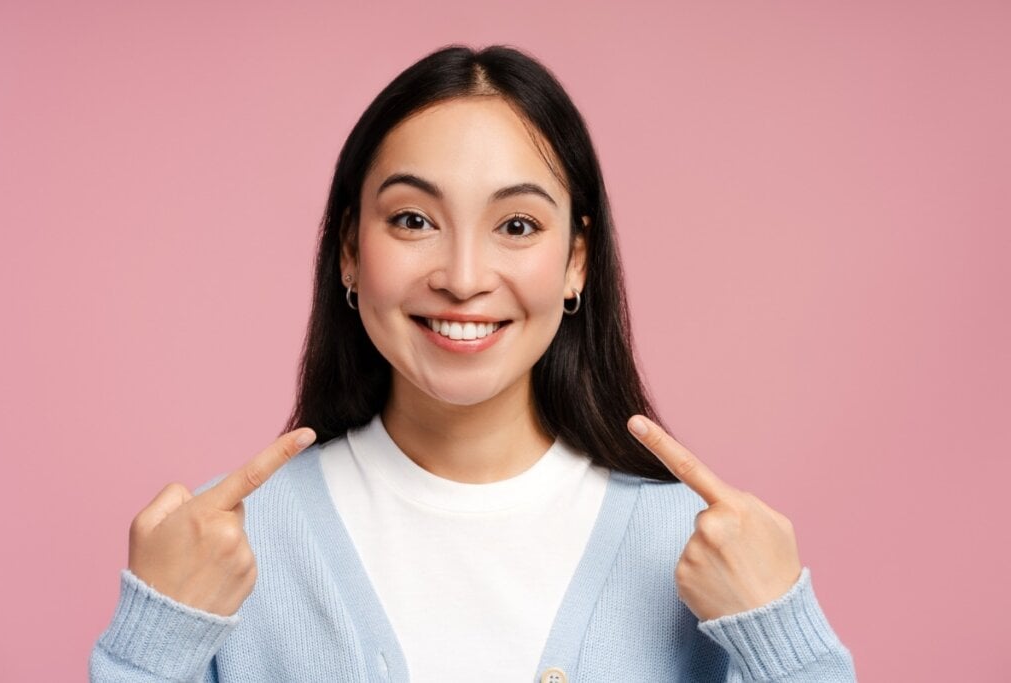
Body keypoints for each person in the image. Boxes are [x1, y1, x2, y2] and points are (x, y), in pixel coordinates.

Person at [90, 44, 856, 682]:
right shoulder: (227, 549)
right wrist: (155, 643)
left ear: (576, 262)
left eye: (517, 224)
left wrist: (781, 637)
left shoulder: (699, 548)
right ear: (351, 251)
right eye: (413, 219)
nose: (462, 275)